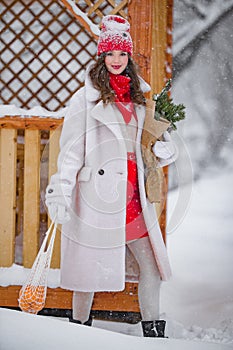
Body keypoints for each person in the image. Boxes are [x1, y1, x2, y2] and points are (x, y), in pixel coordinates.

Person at [45, 15, 177, 338]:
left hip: (132, 198)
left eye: (122, 54)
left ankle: (153, 336)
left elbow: (154, 147)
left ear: (129, 57)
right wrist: (61, 192)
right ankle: (78, 332)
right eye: (110, 54)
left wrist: (160, 149)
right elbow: (71, 153)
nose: (116, 60)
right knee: (87, 275)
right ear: (102, 57)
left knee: (151, 268)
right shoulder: (83, 101)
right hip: (98, 200)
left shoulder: (140, 98)